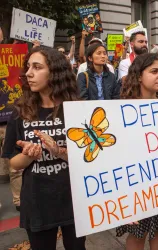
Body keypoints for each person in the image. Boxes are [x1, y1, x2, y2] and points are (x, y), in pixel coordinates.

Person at [2, 47, 86, 250]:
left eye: (37, 67)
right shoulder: (20, 111)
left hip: (74, 199)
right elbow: (13, 162)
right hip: (37, 201)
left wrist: (58, 151)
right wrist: (28, 156)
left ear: (55, 72)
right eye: (28, 67)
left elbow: (88, 158)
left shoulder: (76, 109)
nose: (28, 73)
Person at [118, 53, 158, 250]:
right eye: (154, 71)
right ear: (139, 75)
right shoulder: (121, 110)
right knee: (138, 235)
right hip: (136, 187)